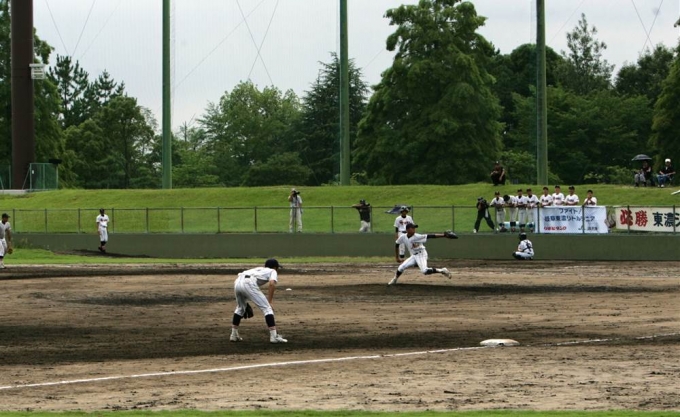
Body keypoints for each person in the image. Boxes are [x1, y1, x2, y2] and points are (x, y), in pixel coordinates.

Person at [230, 258, 288, 344]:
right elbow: (272, 284)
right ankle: (274, 337)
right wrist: (270, 301)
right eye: (277, 268)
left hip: (237, 282)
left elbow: (243, 279)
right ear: (275, 267)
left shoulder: (258, 269)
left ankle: (234, 335)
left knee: (240, 308)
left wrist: (244, 300)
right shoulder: (272, 271)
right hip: (248, 283)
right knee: (267, 308)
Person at [388, 223, 454, 285]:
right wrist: (397, 257)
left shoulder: (417, 236)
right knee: (401, 267)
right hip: (414, 256)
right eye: (412, 228)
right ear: (408, 230)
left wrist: (444, 235)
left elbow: (430, 236)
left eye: (414, 228)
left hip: (421, 254)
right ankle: (394, 279)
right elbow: (397, 244)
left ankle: (442, 270)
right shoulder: (403, 237)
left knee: (425, 271)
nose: (414, 229)